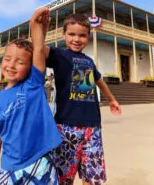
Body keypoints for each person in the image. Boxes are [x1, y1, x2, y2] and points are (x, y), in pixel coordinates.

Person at [0, 7, 62, 185]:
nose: (11, 65)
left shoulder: (33, 84)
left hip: (40, 161)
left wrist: (35, 25)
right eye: (7, 59)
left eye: (20, 62)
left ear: (29, 68)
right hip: (9, 168)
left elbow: (38, 51)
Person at [45, 13, 122, 185]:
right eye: (72, 34)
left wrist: (111, 99)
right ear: (63, 35)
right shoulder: (58, 55)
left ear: (88, 36)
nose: (77, 39)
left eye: (82, 35)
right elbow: (38, 49)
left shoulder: (89, 61)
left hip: (92, 126)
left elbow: (99, 80)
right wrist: (40, 26)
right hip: (66, 126)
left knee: (92, 176)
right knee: (63, 177)